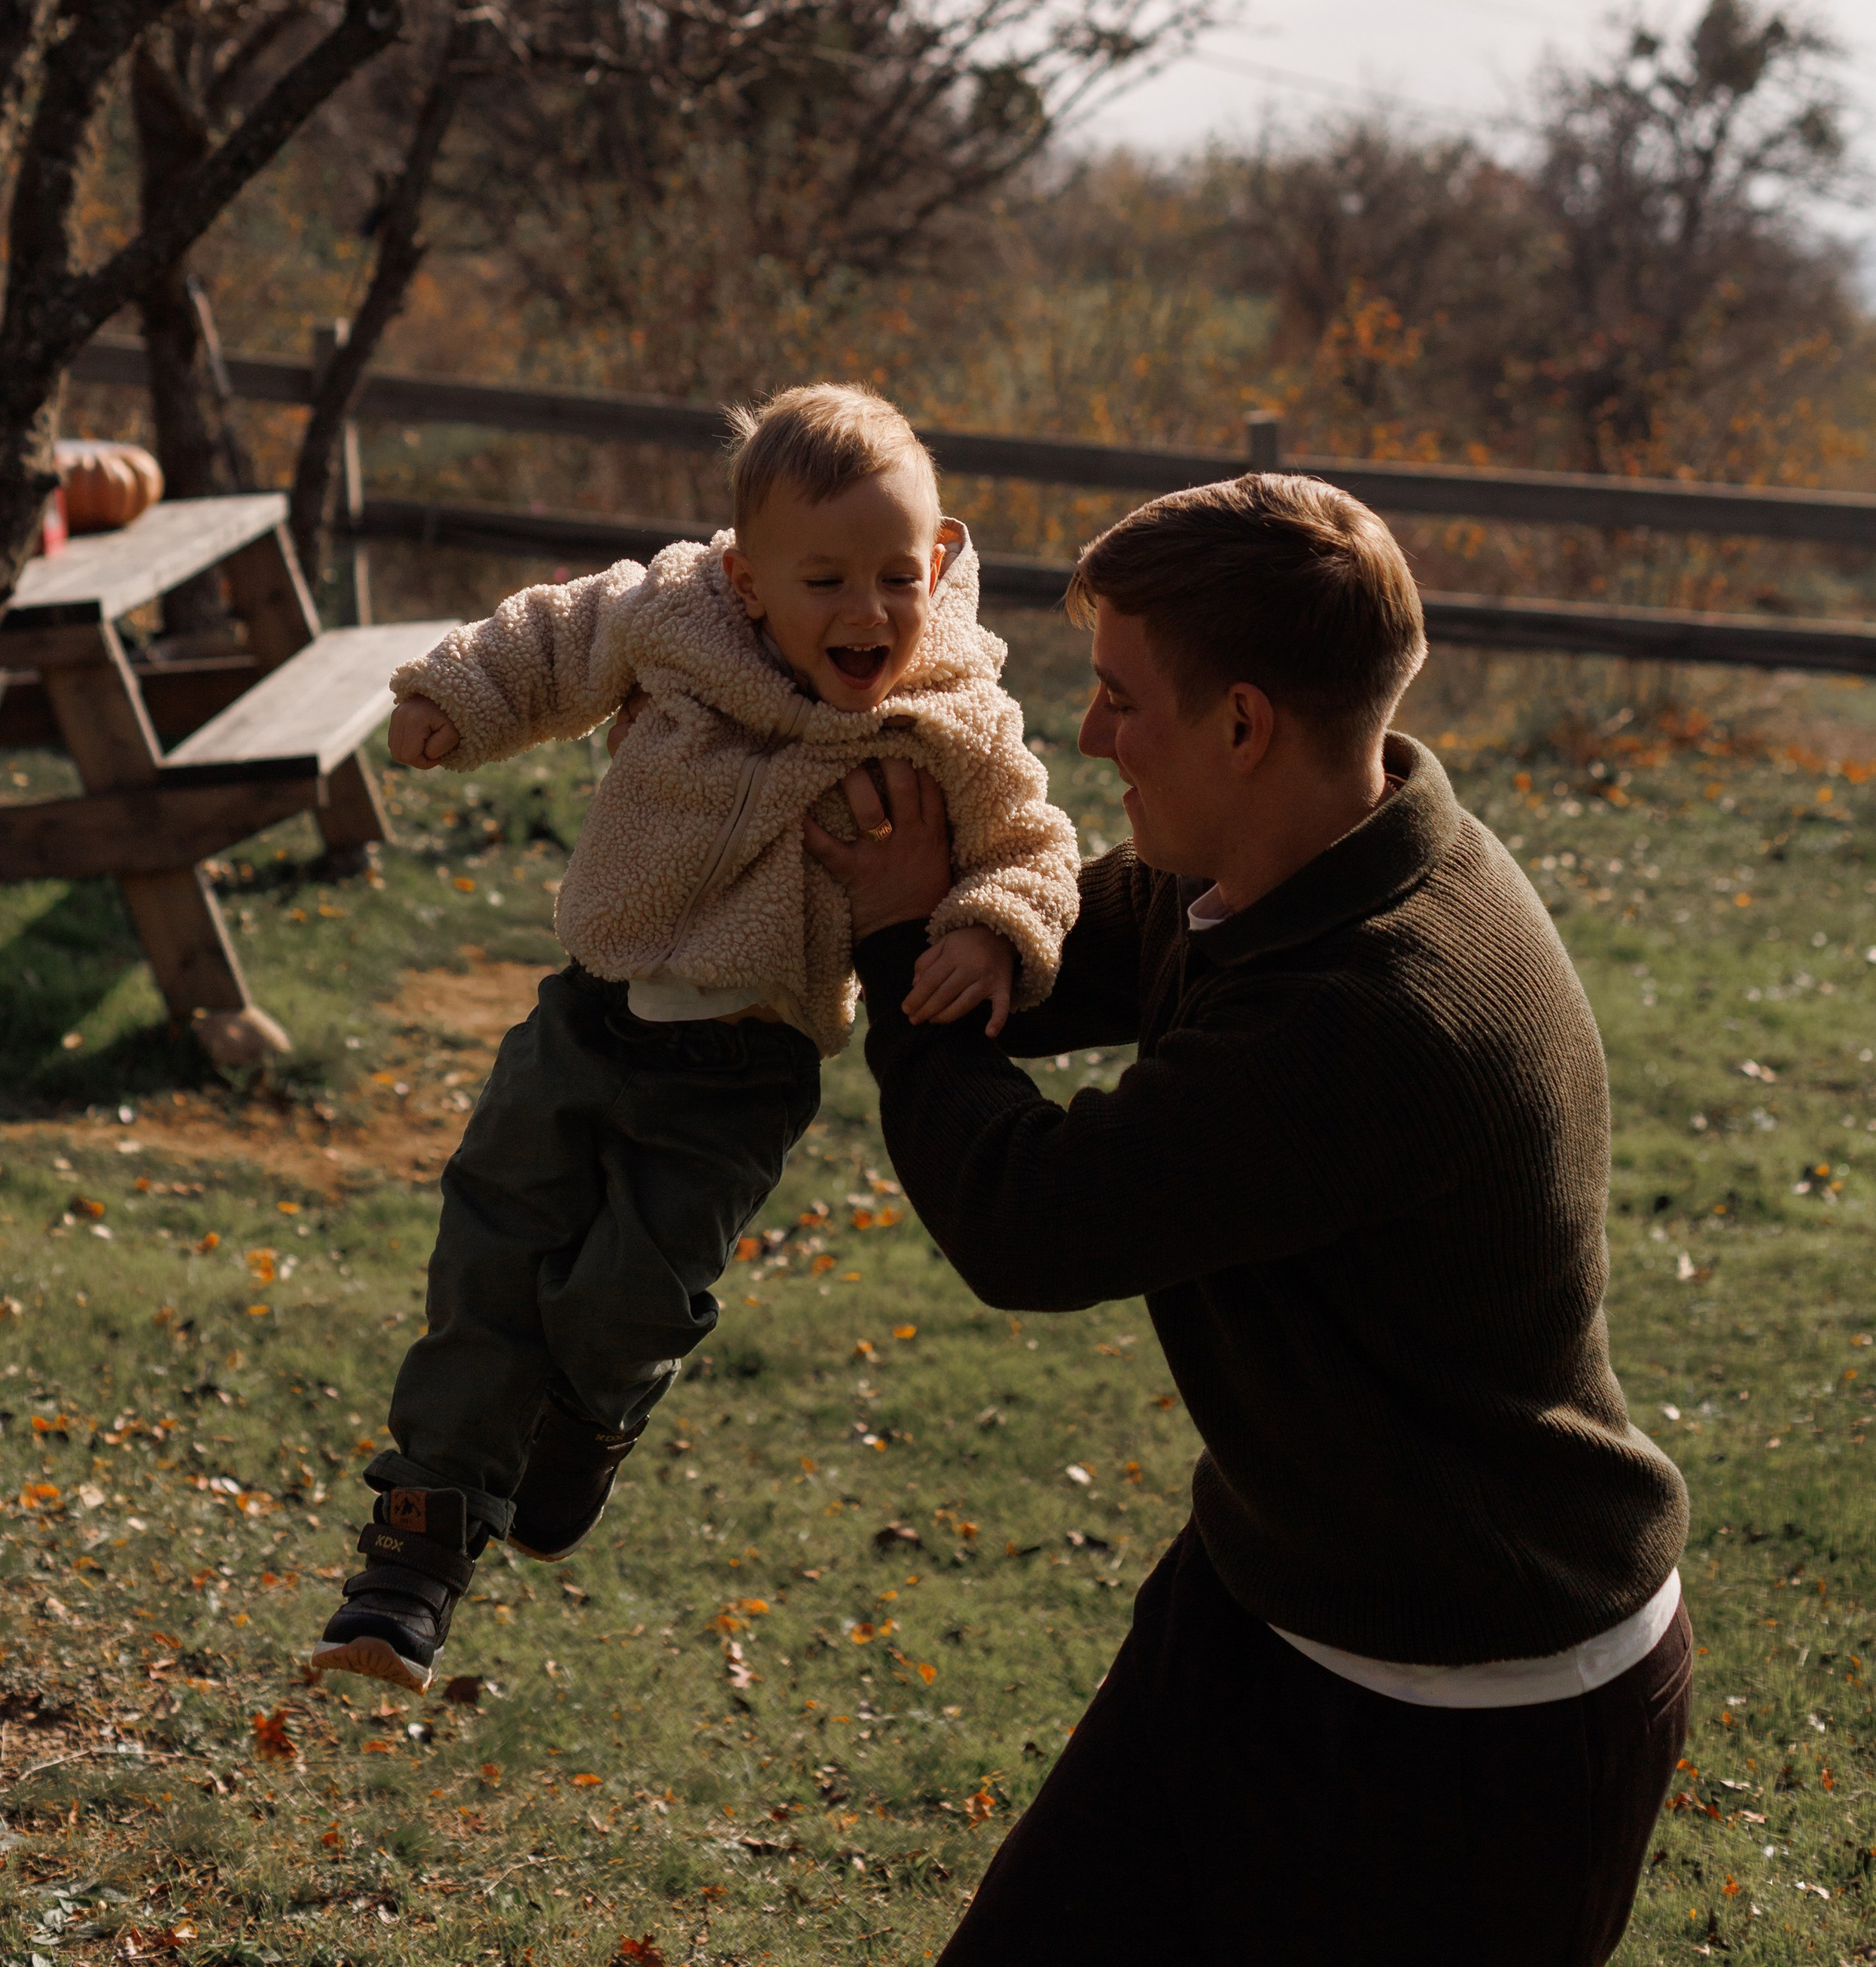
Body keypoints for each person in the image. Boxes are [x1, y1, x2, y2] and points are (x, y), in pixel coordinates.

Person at [806, 473, 1692, 1967]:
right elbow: (1047, 958)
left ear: (1242, 724)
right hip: (1275, 1601)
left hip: (1483, 1716)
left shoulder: (1373, 1009)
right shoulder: (1281, 863)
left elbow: (1036, 1220)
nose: (1087, 737)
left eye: (1117, 697)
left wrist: (910, 932)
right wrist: (937, 899)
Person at [309, 382, 1078, 1693]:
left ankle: (589, 1415)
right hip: (589, 1018)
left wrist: (996, 925)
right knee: (491, 1260)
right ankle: (409, 1564)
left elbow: (1035, 839)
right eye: (825, 577)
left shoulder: (949, 709)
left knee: (622, 1301)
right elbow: (550, 637)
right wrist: (462, 694)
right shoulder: (674, 611)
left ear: (940, 558)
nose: (867, 612)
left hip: (739, 1071)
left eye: (896, 575)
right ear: (747, 576)